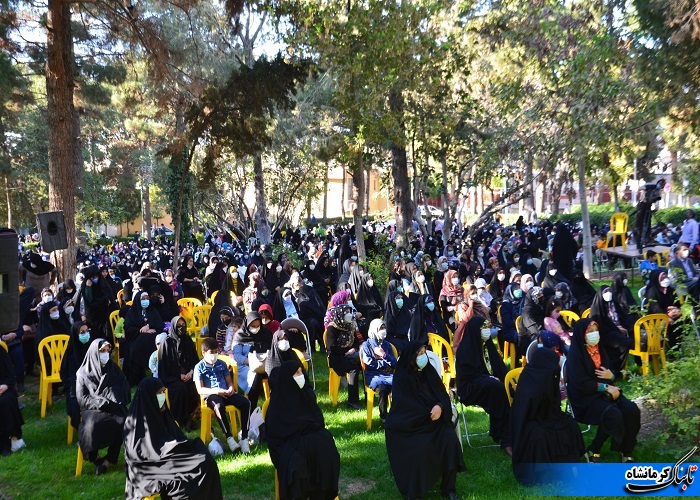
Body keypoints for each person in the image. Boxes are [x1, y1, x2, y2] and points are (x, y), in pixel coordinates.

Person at [385, 340, 465, 500]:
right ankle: (415, 490)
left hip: (434, 422)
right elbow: (404, 407)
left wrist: (440, 406)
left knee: (449, 439)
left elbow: (443, 396)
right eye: (419, 354)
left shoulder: (428, 371)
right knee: (419, 449)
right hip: (411, 425)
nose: (423, 357)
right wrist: (428, 413)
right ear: (411, 357)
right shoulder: (402, 377)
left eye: (424, 353)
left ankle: (449, 488)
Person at [124, 377, 223, 500]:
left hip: (169, 455)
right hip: (153, 464)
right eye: (158, 393)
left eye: (163, 392)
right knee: (192, 470)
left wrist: (177, 448)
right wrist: (169, 451)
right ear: (149, 396)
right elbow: (137, 455)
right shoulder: (135, 422)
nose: (162, 396)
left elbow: (175, 435)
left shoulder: (163, 413)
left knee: (206, 460)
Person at [566, 319, 641, 463]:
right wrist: (606, 387)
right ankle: (594, 449)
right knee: (613, 414)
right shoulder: (576, 355)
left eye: (596, 330)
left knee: (632, 410)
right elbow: (581, 384)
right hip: (585, 398)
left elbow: (610, 373)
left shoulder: (600, 350)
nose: (594, 334)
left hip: (605, 393)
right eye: (590, 331)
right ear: (582, 334)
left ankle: (626, 450)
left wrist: (611, 376)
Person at [266, 360, 340, 500]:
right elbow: (277, 437)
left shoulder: (306, 394)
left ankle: (322, 495)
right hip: (287, 446)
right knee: (298, 466)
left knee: (327, 447)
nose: (301, 375)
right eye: (297, 373)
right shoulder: (278, 403)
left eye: (301, 371)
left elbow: (318, 422)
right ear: (288, 378)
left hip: (309, 439)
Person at [510, 348, 585, 485]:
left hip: (550, 415)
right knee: (539, 434)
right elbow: (526, 410)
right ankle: (542, 472)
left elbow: (553, 404)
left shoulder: (548, 376)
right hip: (530, 420)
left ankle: (567, 467)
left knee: (570, 425)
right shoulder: (529, 377)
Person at [455, 316, 512, 455]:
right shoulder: (465, 349)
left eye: (488, 327)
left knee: (506, 388)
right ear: (476, 330)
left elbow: (500, 368)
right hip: (470, 388)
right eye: (484, 328)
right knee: (496, 387)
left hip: (489, 386)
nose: (487, 331)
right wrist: (490, 378)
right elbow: (469, 376)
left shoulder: (488, 345)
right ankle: (505, 439)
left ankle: (509, 434)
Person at [76, 339, 131, 475]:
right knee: (90, 427)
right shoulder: (83, 372)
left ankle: (109, 459)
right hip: (93, 409)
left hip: (113, 407)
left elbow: (125, 388)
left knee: (123, 421)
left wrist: (115, 396)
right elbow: (82, 398)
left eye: (107, 351)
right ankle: (94, 458)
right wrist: (99, 402)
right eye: (102, 351)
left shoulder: (113, 369)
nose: (106, 354)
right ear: (94, 352)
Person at [194, 338, 251, 453]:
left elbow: (229, 381)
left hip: (226, 392)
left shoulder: (222, 364)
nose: (214, 355)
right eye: (212, 352)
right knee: (218, 406)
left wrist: (230, 388)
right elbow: (200, 389)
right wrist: (216, 391)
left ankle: (244, 438)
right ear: (204, 353)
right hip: (211, 395)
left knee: (246, 403)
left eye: (216, 351)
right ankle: (229, 438)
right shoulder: (199, 367)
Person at [158, 315, 200, 428]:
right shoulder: (167, 342)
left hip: (189, 374)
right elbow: (164, 366)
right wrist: (178, 375)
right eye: (178, 325)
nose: (181, 327)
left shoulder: (187, 340)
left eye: (183, 325)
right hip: (172, 377)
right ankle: (180, 418)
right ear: (173, 326)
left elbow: (195, 359)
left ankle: (192, 416)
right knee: (180, 388)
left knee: (193, 386)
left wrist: (191, 372)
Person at [122, 290, 165, 386]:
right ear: (138, 300)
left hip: (151, 340)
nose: (146, 301)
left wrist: (150, 327)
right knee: (134, 349)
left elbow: (160, 325)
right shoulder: (131, 313)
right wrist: (141, 330)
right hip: (135, 338)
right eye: (143, 299)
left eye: (147, 298)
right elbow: (128, 329)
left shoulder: (153, 311)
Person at [589, 286, 633, 376]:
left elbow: (623, 317)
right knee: (623, 341)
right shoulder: (597, 309)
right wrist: (617, 329)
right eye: (606, 292)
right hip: (605, 334)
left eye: (610, 291)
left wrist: (625, 328)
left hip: (618, 331)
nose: (609, 293)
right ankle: (616, 369)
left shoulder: (614, 304)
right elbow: (601, 326)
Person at [360, 319, 397, 425]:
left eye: (384, 328)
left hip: (388, 374)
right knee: (383, 389)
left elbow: (394, 362)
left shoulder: (387, 345)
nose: (383, 330)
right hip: (373, 375)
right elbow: (369, 363)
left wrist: (384, 355)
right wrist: (383, 363)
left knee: (399, 385)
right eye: (380, 328)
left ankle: (396, 414)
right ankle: (384, 417)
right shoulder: (366, 345)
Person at [231, 312, 272, 408]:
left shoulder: (265, 333)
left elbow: (271, 348)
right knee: (255, 376)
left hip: (265, 363)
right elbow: (237, 354)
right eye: (253, 326)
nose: (256, 328)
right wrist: (249, 361)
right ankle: (252, 406)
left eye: (258, 326)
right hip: (245, 365)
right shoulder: (240, 335)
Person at [325, 304, 362, 409]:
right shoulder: (332, 328)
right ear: (340, 314)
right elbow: (332, 348)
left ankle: (368, 394)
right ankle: (352, 401)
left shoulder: (350, 326)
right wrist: (347, 351)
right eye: (346, 313)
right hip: (337, 358)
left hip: (350, 354)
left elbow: (356, 341)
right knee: (353, 368)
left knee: (364, 364)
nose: (349, 315)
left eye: (349, 312)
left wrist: (353, 349)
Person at [61, 321, 95, 434]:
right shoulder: (71, 353)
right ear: (76, 334)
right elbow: (65, 375)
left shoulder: (93, 350)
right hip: (75, 386)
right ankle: (83, 432)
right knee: (74, 406)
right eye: (82, 332)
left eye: (87, 331)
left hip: (94, 384)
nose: (86, 334)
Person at [0, 343, 25, 455]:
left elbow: (10, 375)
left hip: (3, 387)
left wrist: (5, 385)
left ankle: (6, 441)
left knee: (6, 401)